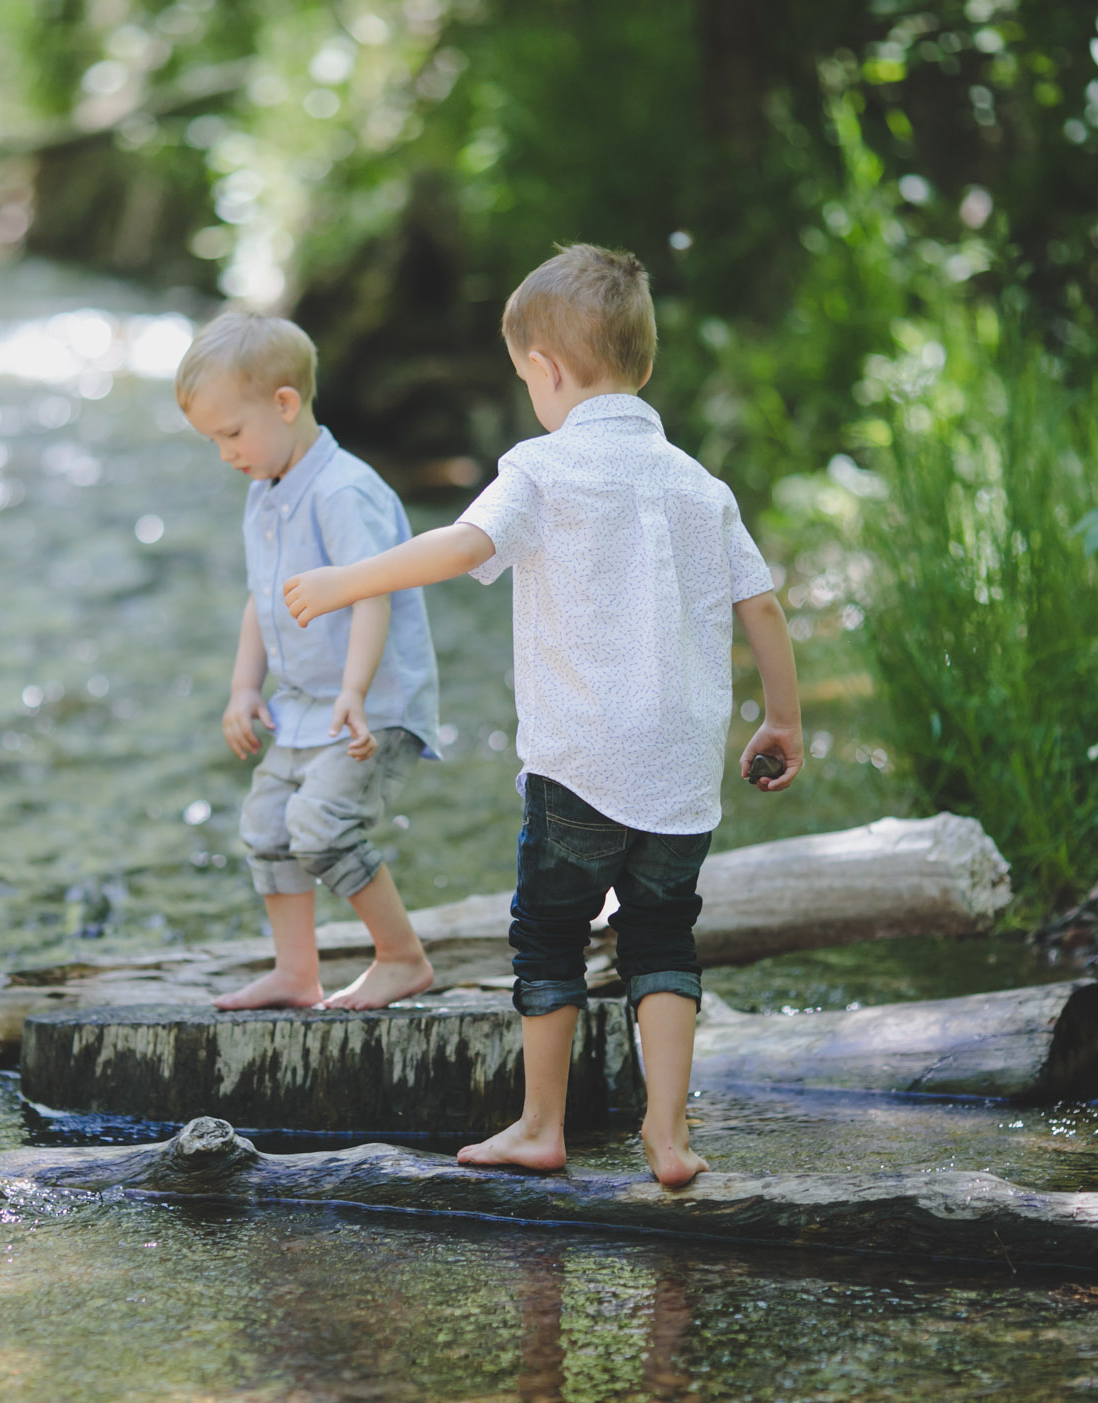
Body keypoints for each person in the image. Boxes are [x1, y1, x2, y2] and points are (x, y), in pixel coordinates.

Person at [282, 245, 803, 1186]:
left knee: (551, 936)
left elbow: (456, 545)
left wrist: (340, 581)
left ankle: (540, 1125)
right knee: (662, 940)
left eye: (527, 378)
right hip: (682, 767)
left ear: (548, 370)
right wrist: (782, 722)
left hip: (580, 762)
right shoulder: (700, 484)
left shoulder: (543, 469)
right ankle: (671, 1135)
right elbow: (760, 605)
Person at [175, 312, 443, 1010]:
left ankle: (402, 957)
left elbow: (372, 596)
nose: (226, 454)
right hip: (301, 708)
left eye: (232, 434)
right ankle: (297, 972)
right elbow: (260, 599)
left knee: (321, 825)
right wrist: (243, 688)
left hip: (371, 706)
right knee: (266, 827)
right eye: (214, 441)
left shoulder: (341, 490)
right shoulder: (263, 493)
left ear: (285, 404)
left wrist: (353, 691)